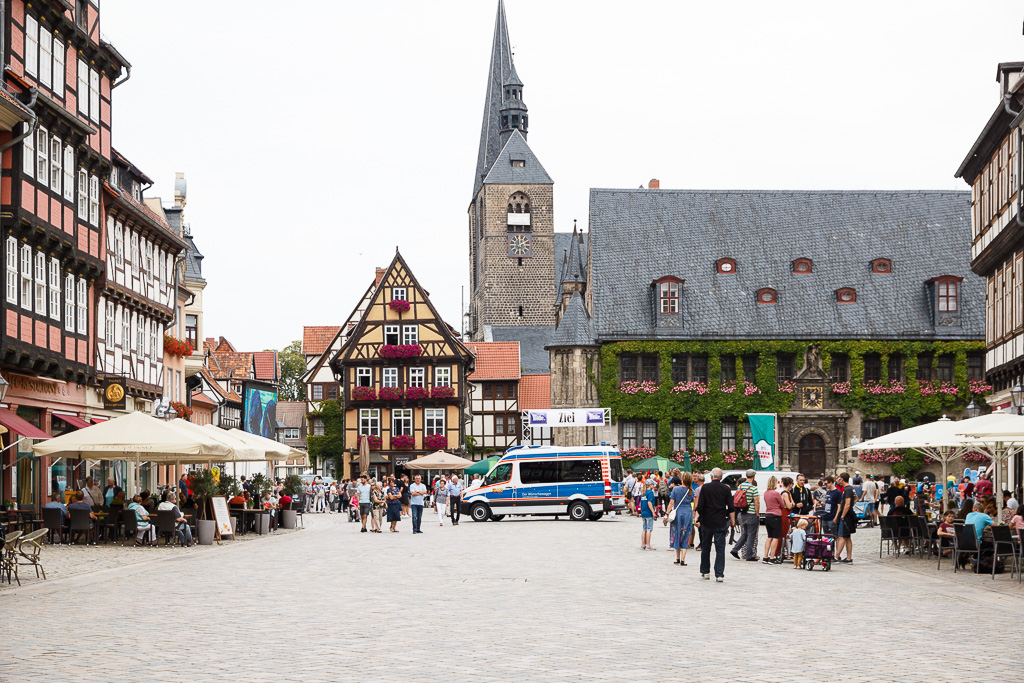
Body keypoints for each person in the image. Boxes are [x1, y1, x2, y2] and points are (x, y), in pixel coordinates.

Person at [695, 468, 737, 582]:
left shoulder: (705, 488)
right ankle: (719, 574)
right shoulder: (726, 488)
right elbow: (731, 507)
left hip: (707, 521)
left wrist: (697, 518)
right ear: (721, 477)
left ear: (711, 476)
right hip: (720, 521)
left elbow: (700, 506)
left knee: (706, 547)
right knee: (720, 549)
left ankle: (705, 571)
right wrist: (732, 521)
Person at [664, 472, 695, 566]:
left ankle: (677, 557)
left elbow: (671, 502)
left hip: (678, 513)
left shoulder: (676, 489)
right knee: (686, 534)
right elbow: (693, 502)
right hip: (688, 513)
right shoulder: (691, 491)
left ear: (682, 480)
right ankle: (683, 559)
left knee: (677, 532)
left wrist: (666, 514)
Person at [730, 469, 760, 561]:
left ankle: (735, 549)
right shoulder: (753, 488)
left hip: (742, 512)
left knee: (745, 533)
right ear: (754, 476)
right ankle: (749, 555)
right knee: (751, 534)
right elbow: (756, 502)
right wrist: (757, 514)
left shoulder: (740, 486)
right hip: (751, 513)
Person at [835, 472, 857, 563]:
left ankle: (836, 556)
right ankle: (849, 557)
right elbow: (856, 498)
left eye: (838, 479)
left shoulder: (847, 489)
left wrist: (843, 515)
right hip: (849, 514)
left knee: (842, 536)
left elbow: (847, 504)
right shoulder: (851, 488)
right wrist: (851, 505)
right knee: (847, 537)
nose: (837, 481)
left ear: (842, 479)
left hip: (846, 515)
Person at [762, 475, 784, 564]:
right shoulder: (776, 493)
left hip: (767, 515)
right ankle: (772, 557)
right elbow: (782, 505)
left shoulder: (765, 493)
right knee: (775, 537)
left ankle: (765, 557)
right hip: (776, 515)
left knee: (769, 536)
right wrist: (778, 505)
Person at [639, 480, 657, 550]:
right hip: (649, 512)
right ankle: (648, 545)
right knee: (649, 529)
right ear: (650, 485)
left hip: (643, 512)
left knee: (644, 529)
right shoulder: (650, 493)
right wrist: (653, 512)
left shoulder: (643, 492)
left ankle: (643, 544)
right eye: (652, 484)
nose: (653, 486)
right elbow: (649, 503)